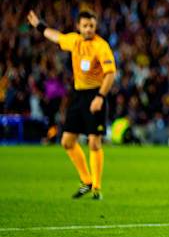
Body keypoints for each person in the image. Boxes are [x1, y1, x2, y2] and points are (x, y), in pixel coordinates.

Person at [27, 10, 116, 200]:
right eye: (85, 26)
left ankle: (97, 188)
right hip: (78, 96)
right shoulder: (74, 41)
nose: (89, 29)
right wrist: (39, 25)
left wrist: (100, 96)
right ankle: (87, 181)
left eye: (91, 25)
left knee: (94, 141)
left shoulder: (101, 46)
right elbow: (56, 36)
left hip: (95, 94)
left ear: (95, 26)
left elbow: (110, 73)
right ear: (78, 27)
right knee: (67, 141)